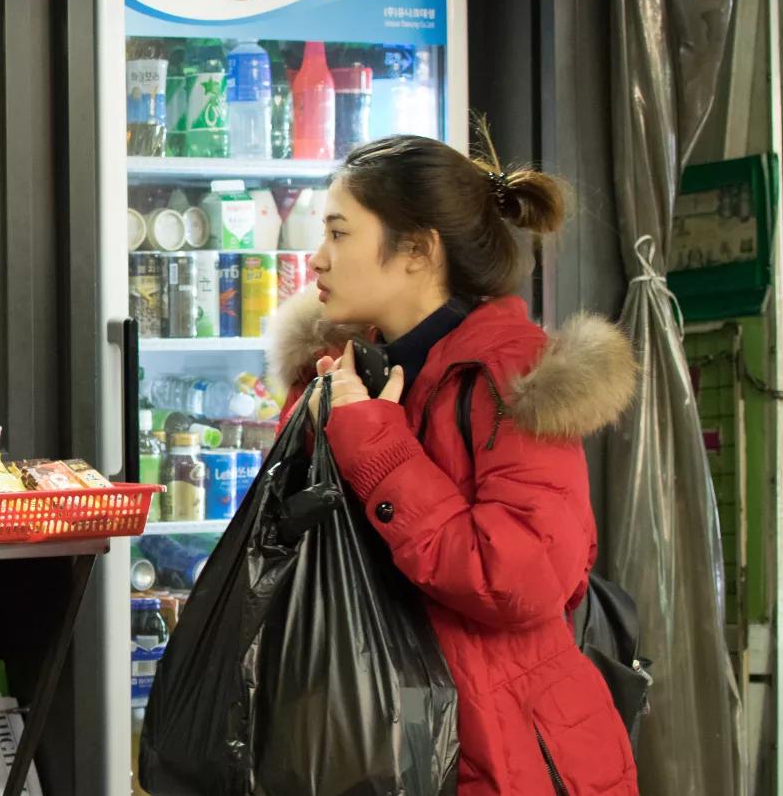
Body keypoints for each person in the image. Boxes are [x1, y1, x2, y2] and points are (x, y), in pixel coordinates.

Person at [268, 134, 640, 796]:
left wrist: (374, 442)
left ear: (417, 249)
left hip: (510, 749)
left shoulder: (508, 381)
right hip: (388, 725)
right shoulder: (348, 373)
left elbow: (519, 579)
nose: (317, 259)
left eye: (338, 233)